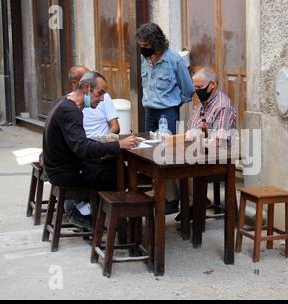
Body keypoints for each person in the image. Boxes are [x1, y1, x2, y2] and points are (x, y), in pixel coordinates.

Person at [43, 71, 140, 228]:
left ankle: (97, 212)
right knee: (118, 172)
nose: (102, 99)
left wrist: (104, 150)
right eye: (100, 93)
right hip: (65, 173)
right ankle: (94, 215)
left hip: (59, 167)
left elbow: (77, 144)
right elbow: (82, 148)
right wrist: (118, 145)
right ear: (86, 88)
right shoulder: (71, 111)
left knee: (108, 165)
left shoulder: (63, 102)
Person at [136, 23, 195, 214]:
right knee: (150, 153)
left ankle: (172, 200)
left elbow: (188, 89)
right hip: (149, 111)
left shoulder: (173, 60)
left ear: (155, 42)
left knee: (167, 155)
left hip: (167, 112)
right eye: (141, 45)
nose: (143, 48)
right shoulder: (144, 58)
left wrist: (174, 105)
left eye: (145, 44)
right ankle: (159, 193)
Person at [176, 68, 238, 222]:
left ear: (212, 85)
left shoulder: (223, 105)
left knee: (183, 168)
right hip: (200, 151)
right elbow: (192, 128)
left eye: (199, 87)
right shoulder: (202, 102)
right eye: (194, 87)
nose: (196, 91)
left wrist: (196, 138)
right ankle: (187, 204)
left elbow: (218, 142)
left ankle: (195, 206)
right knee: (168, 165)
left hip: (220, 157)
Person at [68, 65, 120, 139]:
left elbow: (115, 126)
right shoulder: (69, 106)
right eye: (86, 77)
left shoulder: (103, 97)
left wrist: (105, 141)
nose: (102, 98)